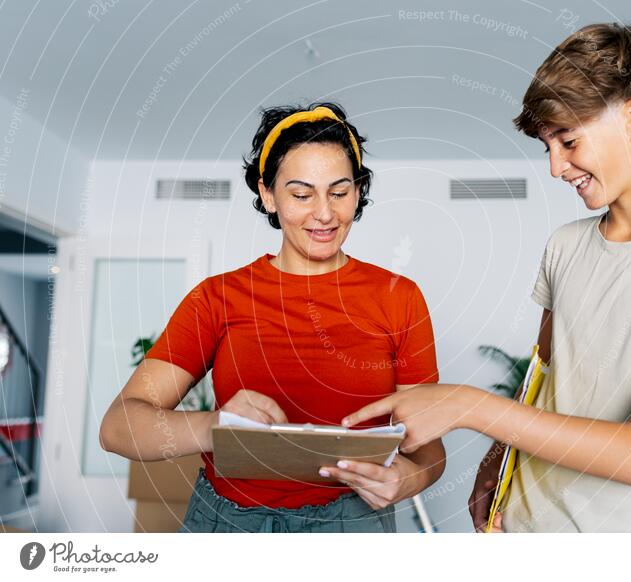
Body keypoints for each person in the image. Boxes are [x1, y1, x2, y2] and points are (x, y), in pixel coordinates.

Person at [340, 23, 631, 533]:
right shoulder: (566, 245)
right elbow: (540, 378)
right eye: (547, 146)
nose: (554, 166)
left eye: (567, 141)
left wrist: (469, 405)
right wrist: (493, 464)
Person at [99, 103, 445, 533]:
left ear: (358, 192)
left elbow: (429, 450)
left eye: (339, 192)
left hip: (352, 525)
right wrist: (216, 426)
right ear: (268, 195)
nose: (324, 213)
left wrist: (408, 478)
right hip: (228, 523)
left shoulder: (399, 298)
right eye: (301, 195)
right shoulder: (217, 298)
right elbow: (118, 428)